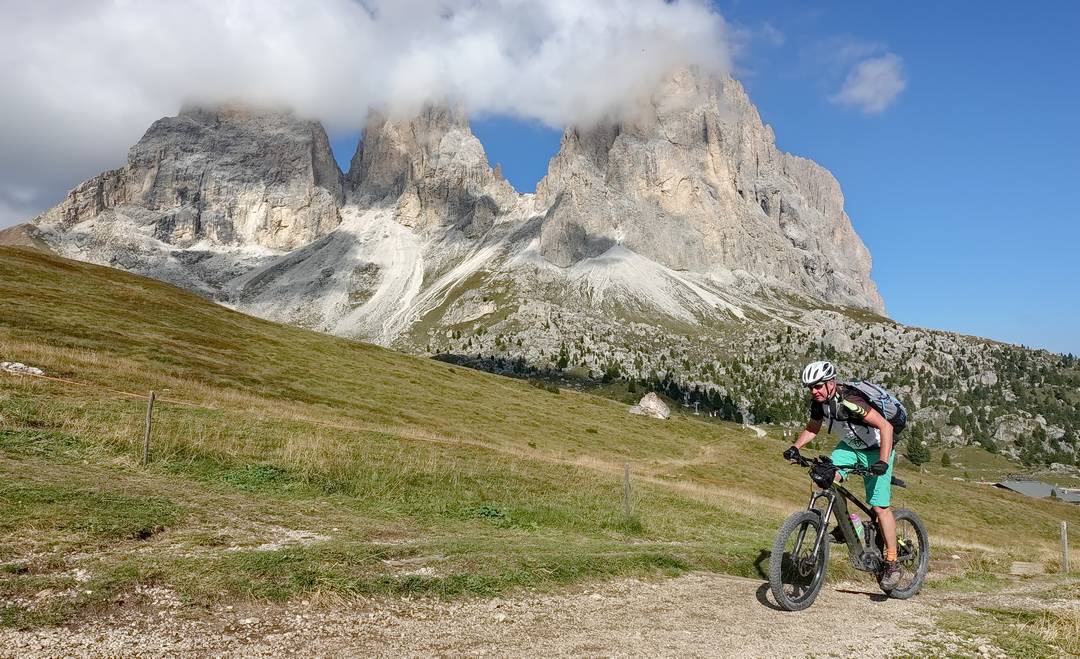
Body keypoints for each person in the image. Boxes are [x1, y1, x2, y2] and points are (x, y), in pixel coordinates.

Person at [782, 360, 902, 589]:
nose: (813, 391)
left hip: (878, 450)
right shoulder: (819, 403)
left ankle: (892, 560)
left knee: (879, 506)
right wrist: (796, 448)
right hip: (849, 448)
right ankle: (848, 524)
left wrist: (884, 462)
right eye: (810, 388)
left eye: (817, 386)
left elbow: (886, 427)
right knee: (827, 479)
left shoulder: (851, 402)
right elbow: (812, 428)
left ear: (831, 383)